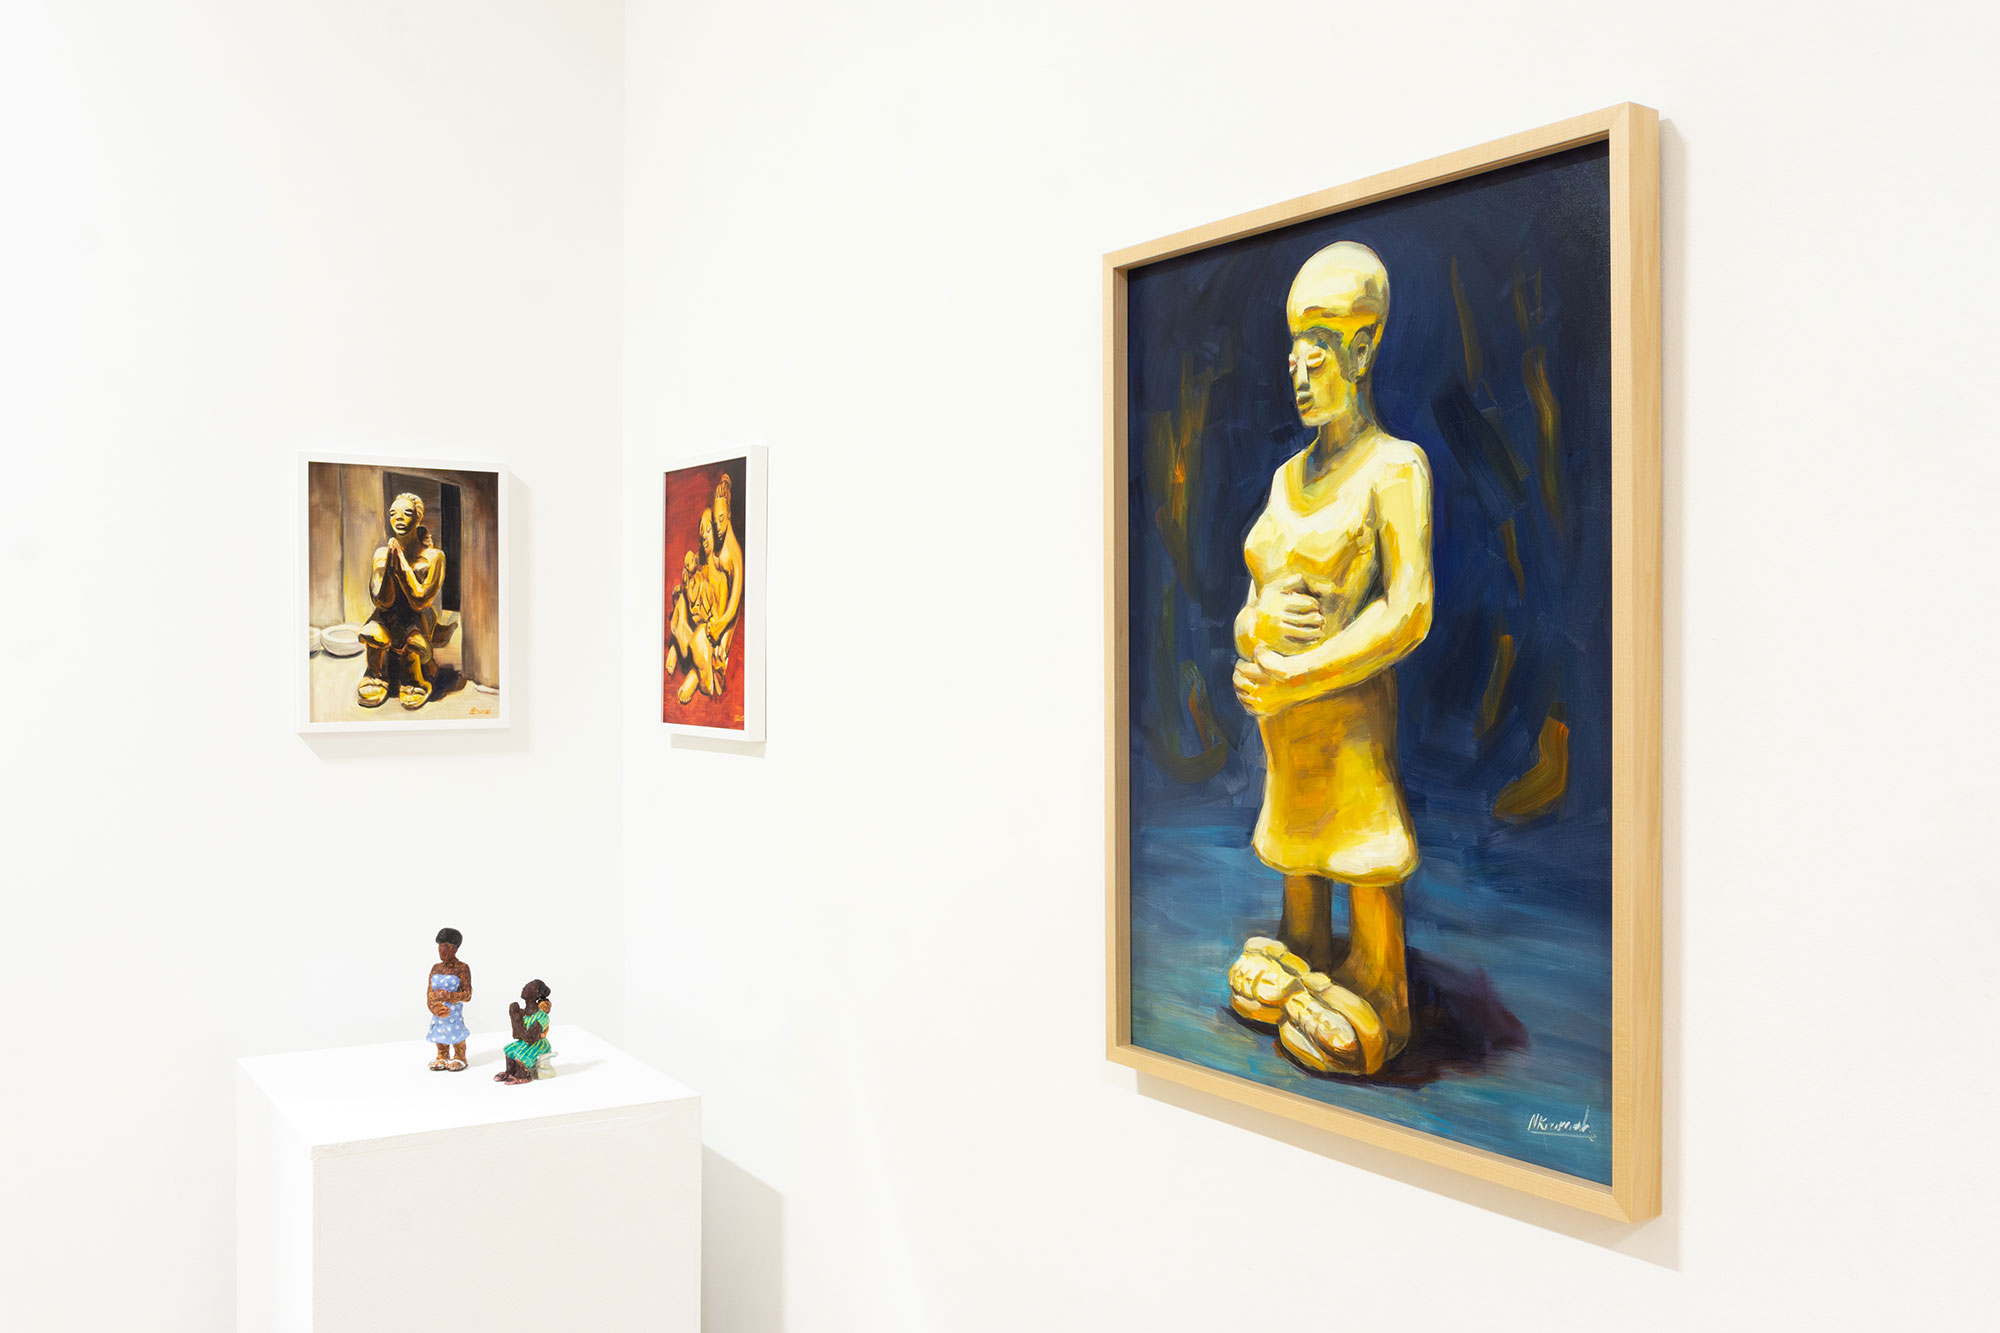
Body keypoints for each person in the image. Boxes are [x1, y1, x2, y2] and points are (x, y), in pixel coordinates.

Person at [1226, 241, 1434, 1077]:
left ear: (1362, 349)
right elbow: (1255, 604)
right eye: (1293, 354)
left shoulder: (1394, 469)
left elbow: (1408, 609)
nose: (1300, 372)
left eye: (1318, 351)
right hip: (1288, 739)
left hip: (1347, 727)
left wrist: (1297, 676)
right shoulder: (1285, 481)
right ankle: (1303, 947)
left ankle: (1383, 987)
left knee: (1360, 840)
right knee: (1297, 847)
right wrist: (1254, 634)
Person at [359, 492, 446, 710]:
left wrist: (401, 565)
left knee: (414, 643)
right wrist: (390, 566)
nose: (398, 518)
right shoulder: (381, 554)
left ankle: (414, 680)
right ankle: (375, 674)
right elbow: (382, 601)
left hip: (415, 619)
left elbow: (419, 601)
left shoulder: (434, 557)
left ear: (418, 517)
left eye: (406, 512)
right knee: (373, 633)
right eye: (393, 513)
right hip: (386, 617)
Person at [425, 928, 472, 1071]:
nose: (442, 951)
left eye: (446, 948)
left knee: (456, 1032)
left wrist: (449, 996)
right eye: (440, 947)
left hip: (454, 1013)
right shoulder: (435, 968)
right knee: (439, 1032)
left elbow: (467, 994)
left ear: (455, 949)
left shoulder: (462, 968)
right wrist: (433, 1007)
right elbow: (430, 993)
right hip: (438, 1014)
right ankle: (442, 1055)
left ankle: (460, 1056)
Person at [496, 980, 553, 1085]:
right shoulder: (523, 1013)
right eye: (526, 986)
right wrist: (513, 1016)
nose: (524, 988)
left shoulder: (541, 1016)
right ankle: (510, 1071)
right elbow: (517, 1035)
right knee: (509, 1049)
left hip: (539, 1043)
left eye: (529, 987)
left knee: (520, 1053)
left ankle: (524, 1075)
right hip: (527, 1041)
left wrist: (517, 1019)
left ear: (537, 994)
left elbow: (530, 1038)